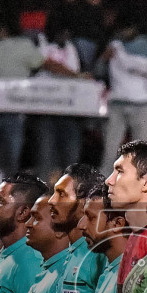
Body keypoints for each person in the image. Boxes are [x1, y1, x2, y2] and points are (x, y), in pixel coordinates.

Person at [0, 15, 45, 188]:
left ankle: (8, 205)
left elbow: (44, 63)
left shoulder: (23, 45)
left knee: (8, 165)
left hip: (13, 114)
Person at [99, 13, 147, 171]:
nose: (124, 32)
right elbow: (99, 70)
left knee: (141, 151)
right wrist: (104, 58)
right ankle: (103, 187)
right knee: (111, 150)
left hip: (141, 105)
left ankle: (141, 188)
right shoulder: (115, 46)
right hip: (118, 103)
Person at [35, 23, 87, 179]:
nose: (64, 37)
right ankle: (43, 194)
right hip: (46, 109)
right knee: (46, 154)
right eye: (61, 34)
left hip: (69, 110)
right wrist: (75, 76)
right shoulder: (41, 44)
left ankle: (69, 191)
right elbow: (49, 65)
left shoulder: (71, 47)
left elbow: (78, 72)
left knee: (71, 154)